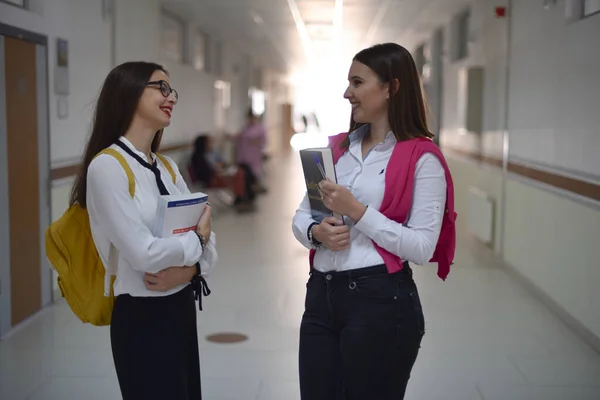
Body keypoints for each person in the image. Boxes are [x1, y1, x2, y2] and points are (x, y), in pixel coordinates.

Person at [292, 43, 456, 400]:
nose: (347, 92)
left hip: (380, 302)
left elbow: (423, 247)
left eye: (357, 82)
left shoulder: (422, 158)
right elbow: (303, 213)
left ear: (391, 88)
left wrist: (358, 212)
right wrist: (315, 232)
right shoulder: (336, 150)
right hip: (321, 298)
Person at [69, 61, 218, 400]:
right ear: (129, 93)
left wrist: (189, 271)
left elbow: (213, 248)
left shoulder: (166, 166)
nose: (172, 97)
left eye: (172, 90)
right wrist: (197, 240)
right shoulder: (107, 167)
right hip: (141, 317)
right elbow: (144, 254)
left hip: (180, 308)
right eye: (161, 88)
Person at [190, 134, 257, 212]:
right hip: (211, 179)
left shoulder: (211, 152)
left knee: (241, 171)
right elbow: (205, 173)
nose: (211, 144)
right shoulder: (197, 157)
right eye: (209, 142)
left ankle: (243, 197)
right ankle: (240, 199)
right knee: (239, 175)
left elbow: (222, 163)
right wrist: (217, 170)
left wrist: (220, 168)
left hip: (218, 174)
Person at [228, 108, 267, 193]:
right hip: (243, 156)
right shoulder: (246, 128)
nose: (250, 120)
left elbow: (263, 141)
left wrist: (256, 142)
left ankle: (252, 192)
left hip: (253, 156)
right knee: (243, 177)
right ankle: (245, 195)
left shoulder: (259, 128)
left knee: (252, 175)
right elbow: (240, 137)